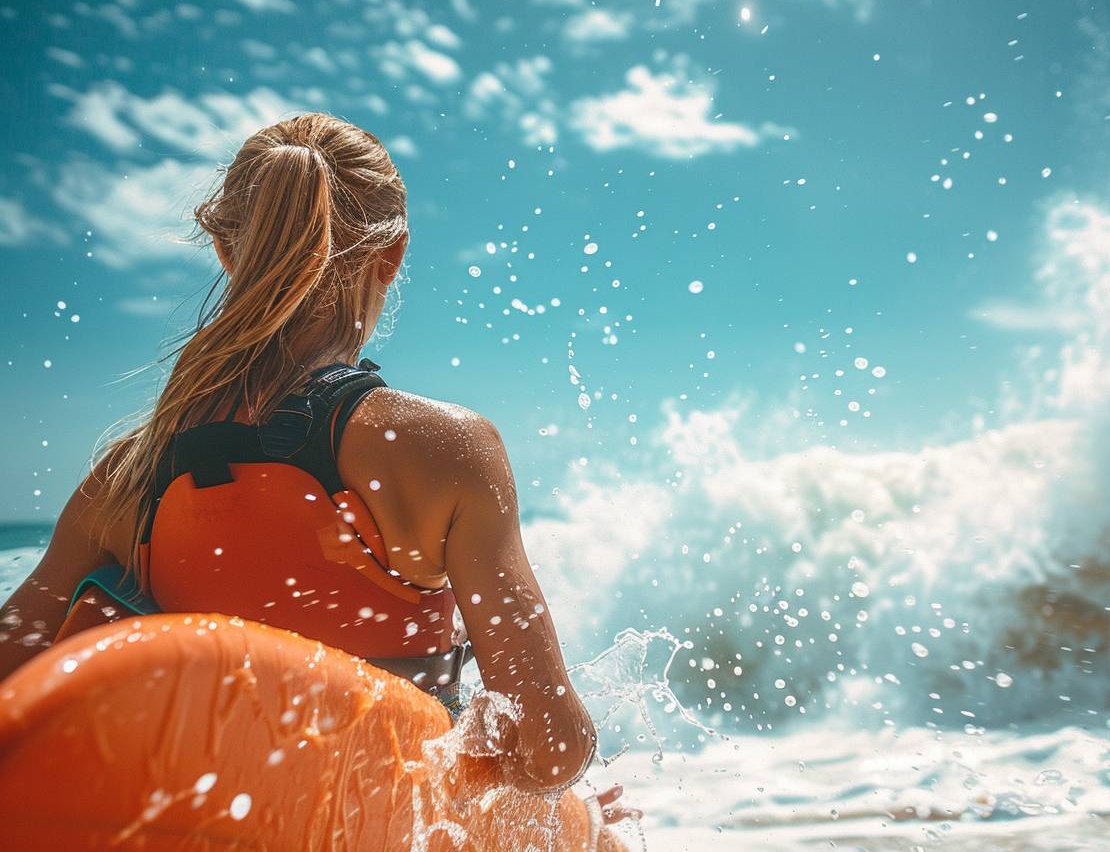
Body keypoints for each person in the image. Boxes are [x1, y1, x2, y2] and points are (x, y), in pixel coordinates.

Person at [0, 113, 639, 823]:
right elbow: (551, 748)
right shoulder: (445, 449)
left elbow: (12, 676)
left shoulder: (127, 479)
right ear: (392, 255)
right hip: (383, 823)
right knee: (601, 818)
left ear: (224, 250)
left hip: (198, 821)